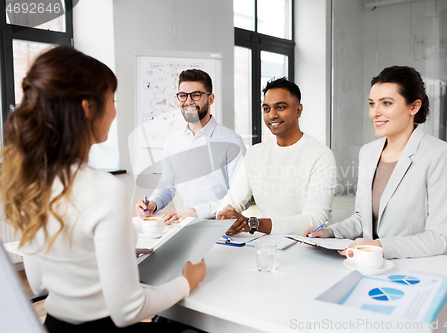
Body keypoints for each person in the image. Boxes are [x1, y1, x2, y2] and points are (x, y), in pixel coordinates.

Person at [0, 45, 206, 332]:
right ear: (88, 107)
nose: (115, 110)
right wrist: (188, 281)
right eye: (112, 99)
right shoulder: (105, 190)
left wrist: (112, 253)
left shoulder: (30, 179)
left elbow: (38, 282)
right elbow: (128, 310)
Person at [303, 66, 447, 259]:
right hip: (370, 263)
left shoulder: (441, 155)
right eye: (372, 104)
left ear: (414, 107)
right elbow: (363, 219)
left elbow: (440, 238)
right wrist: (330, 232)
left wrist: (379, 246)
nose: (375, 112)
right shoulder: (368, 152)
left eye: (386, 103)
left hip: (416, 268)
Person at [217, 77, 336, 235]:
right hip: (269, 244)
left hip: (309, 244)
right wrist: (226, 217)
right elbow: (233, 200)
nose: (272, 115)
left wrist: (254, 224)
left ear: (298, 110)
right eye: (266, 109)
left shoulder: (320, 154)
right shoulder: (255, 154)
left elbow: (315, 219)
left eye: (280, 107)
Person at [136, 69, 246, 224]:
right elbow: (168, 185)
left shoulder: (232, 142)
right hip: (185, 225)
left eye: (196, 95)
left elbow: (239, 196)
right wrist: (153, 203)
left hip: (221, 227)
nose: (188, 102)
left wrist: (196, 212)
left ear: (211, 98)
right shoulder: (173, 141)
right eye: (183, 95)